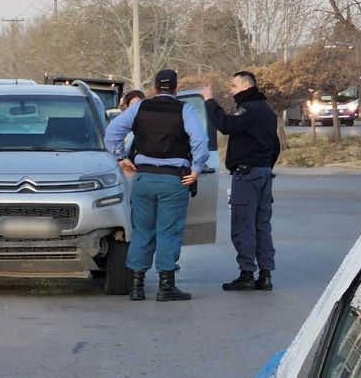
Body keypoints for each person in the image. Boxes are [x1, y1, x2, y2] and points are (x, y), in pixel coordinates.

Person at [104, 69, 209, 301]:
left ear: (153, 89)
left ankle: (136, 286)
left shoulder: (139, 108)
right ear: (176, 88)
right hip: (174, 179)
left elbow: (112, 132)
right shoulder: (185, 109)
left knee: (142, 230)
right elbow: (200, 140)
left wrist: (121, 157)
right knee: (168, 232)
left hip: (144, 178)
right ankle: (166, 287)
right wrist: (196, 169)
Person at [202, 71, 280, 291]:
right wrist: (265, 166)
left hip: (247, 176)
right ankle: (265, 274)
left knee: (243, 225)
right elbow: (275, 147)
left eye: (234, 86)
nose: (231, 90)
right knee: (262, 226)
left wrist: (209, 102)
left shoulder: (249, 110)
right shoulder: (267, 111)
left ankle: (247, 273)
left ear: (246, 85)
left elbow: (225, 124)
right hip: (263, 174)